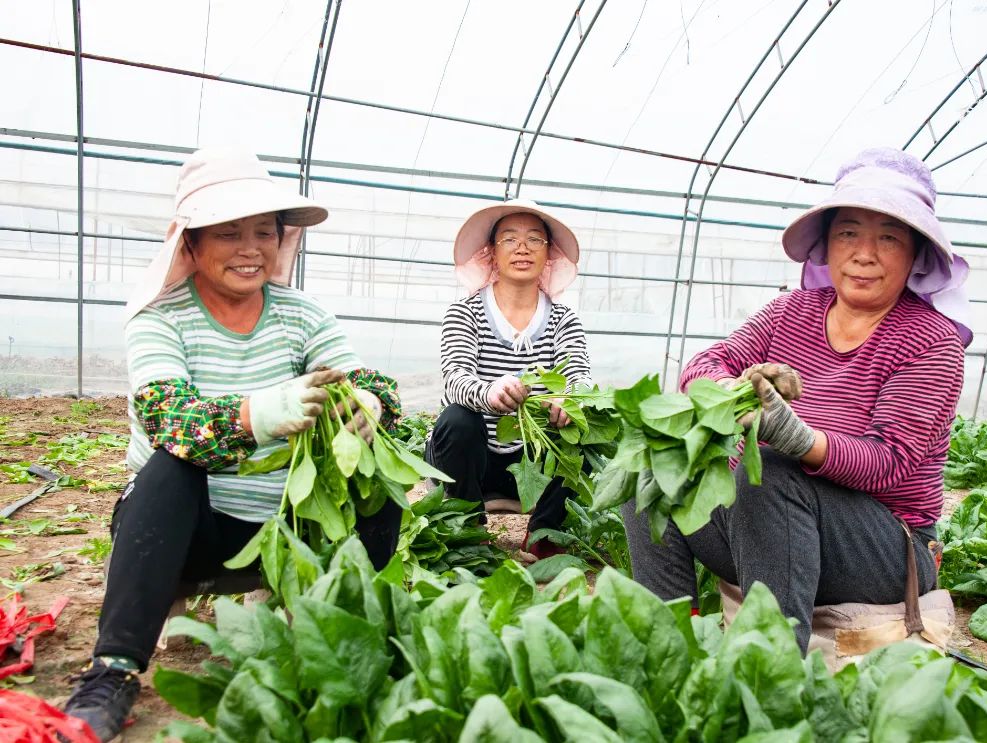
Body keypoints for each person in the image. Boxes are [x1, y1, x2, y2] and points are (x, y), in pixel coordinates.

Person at [63, 148, 403, 741]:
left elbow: (368, 381)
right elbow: (168, 415)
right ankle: (112, 671)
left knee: (377, 474)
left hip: (283, 533)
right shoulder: (159, 318)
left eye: (264, 232)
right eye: (229, 233)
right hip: (187, 536)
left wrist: (369, 403)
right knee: (172, 469)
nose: (251, 248)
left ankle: (344, 629)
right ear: (190, 243)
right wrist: (259, 413)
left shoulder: (300, 315)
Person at [624, 147, 972, 653]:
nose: (864, 252)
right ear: (827, 243)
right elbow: (704, 364)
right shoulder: (794, 310)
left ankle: (773, 666)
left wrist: (796, 437)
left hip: (884, 552)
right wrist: (730, 391)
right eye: (848, 232)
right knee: (655, 466)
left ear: (916, 253)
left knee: (774, 469)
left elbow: (888, 463)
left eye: (889, 237)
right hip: (770, 532)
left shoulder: (930, 340)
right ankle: (663, 643)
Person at [425, 199, 593, 559]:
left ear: (548, 255)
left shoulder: (563, 320)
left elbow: (580, 378)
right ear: (491, 253)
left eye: (535, 240)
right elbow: (455, 378)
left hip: (533, 464)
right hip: (473, 461)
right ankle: (468, 530)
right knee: (458, 418)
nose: (522, 248)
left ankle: (544, 534)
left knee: (585, 422)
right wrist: (489, 392)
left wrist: (569, 400)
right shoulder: (464, 313)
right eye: (510, 240)